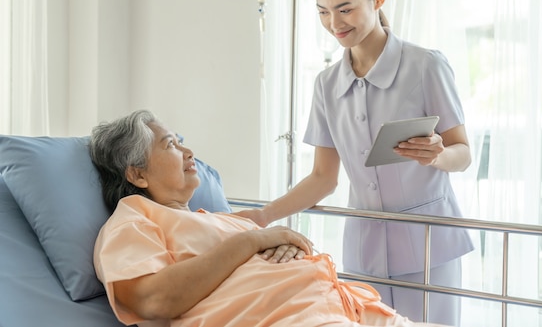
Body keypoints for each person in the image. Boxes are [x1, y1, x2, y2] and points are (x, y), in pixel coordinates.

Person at [236, 0, 474, 326]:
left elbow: (463, 153)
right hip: (364, 251)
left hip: (430, 246)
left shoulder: (425, 65)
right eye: (323, 11)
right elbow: (323, 179)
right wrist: (262, 216)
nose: (334, 23)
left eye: (345, 8)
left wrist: (438, 155)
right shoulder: (327, 85)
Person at [89, 109, 443, 327]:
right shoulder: (133, 219)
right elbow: (153, 301)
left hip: (348, 309)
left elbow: (262, 229)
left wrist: (282, 243)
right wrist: (253, 241)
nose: (188, 151)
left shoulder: (216, 219)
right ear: (137, 175)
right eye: (170, 145)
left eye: (181, 141)